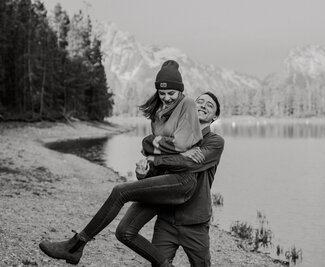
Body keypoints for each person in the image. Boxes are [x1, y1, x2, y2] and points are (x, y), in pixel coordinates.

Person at [39, 60, 203, 267]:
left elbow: (179, 144)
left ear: (180, 91)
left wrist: (152, 145)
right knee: (124, 232)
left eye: (172, 93)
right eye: (162, 93)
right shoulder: (158, 115)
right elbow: (159, 149)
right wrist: (146, 168)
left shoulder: (187, 104)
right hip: (162, 179)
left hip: (182, 181)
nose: (167, 97)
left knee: (120, 191)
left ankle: (75, 246)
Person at [116, 92, 224, 267]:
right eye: (200, 102)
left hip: (195, 222)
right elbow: (159, 174)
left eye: (210, 105)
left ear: (215, 116)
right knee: (159, 264)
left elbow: (188, 164)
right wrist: (144, 173)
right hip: (166, 218)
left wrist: (155, 158)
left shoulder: (215, 142)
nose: (203, 106)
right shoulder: (173, 138)